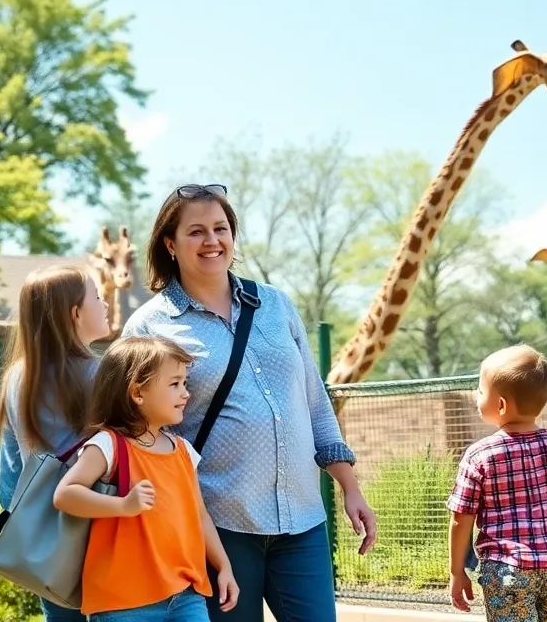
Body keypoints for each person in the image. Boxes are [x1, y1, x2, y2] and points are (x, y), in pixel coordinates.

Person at [121, 183, 377, 622]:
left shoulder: (276, 304)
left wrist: (349, 486)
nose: (212, 240)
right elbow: (133, 428)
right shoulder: (149, 324)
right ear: (170, 243)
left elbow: (314, 400)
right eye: (196, 231)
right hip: (217, 526)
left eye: (220, 228)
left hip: (303, 519)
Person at [53, 336, 239, 621]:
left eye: (185, 384)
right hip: (123, 602)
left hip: (186, 596)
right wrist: (123, 506)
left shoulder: (183, 451)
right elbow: (65, 495)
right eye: (175, 384)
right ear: (138, 393)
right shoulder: (108, 445)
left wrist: (223, 565)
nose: (186, 393)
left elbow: (199, 515)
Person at [446, 345, 547, 622]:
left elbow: (462, 518)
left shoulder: (479, 456)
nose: (477, 394)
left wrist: (457, 571)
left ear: (502, 405)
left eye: (481, 389)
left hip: (506, 570)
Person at [0, 263, 112, 622]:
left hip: (48, 547)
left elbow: (9, 482)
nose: (105, 302)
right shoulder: (104, 374)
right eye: (96, 295)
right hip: (105, 535)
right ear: (75, 313)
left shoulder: (16, 379)